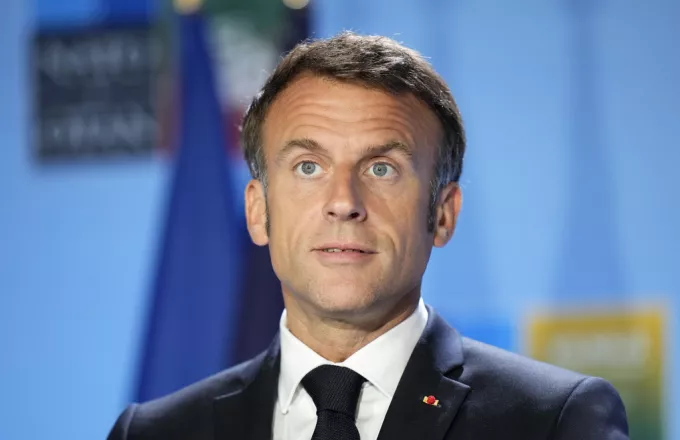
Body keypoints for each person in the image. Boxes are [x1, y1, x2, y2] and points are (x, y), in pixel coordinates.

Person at [108, 31, 628, 440]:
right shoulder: (155, 433)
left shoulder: (553, 421)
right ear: (259, 211)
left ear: (442, 214)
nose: (343, 202)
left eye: (382, 169)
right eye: (308, 167)